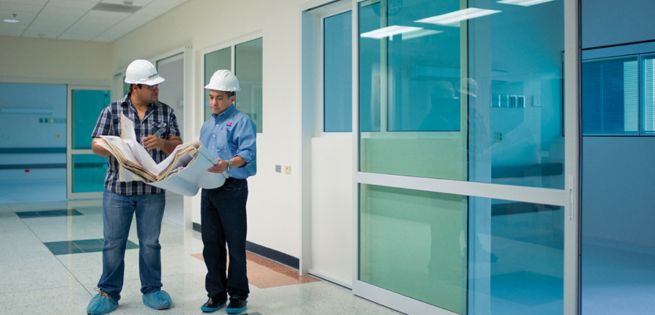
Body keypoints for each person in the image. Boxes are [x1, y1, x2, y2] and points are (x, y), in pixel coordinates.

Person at [86, 59, 182, 315]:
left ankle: (152, 289)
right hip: (118, 191)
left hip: (152, 191)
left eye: (157, 86)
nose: (157, 91)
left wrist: (162, 143)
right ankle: (108, 292)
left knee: (150, 243)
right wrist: (118, 147)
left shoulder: (166, 112)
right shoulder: (112, 111)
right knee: (113, 243)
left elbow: (178, 144)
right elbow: (95, 144)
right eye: (151, 87)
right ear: (136, 86)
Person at [199, 69, 257, 314]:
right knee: (210, 244)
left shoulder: (242, 121)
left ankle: (238, 295)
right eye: (211, 97)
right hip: (209, 190)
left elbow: (248, 155)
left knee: (234, 244)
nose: (214, 102)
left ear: (232, 98)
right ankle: (216, 294)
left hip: (232, 188)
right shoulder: (207, 124)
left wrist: (227, 164)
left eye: (220, 98)